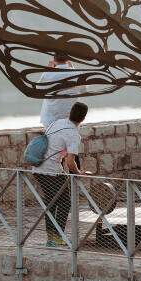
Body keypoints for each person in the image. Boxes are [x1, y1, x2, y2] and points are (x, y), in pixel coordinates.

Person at [33, 101, 90, 248]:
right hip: (51, 171)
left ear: (70, 112)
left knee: (51, 203)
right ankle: (57, 238)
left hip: (38, 168)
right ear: (83, 119)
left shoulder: (56, 123)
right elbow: (71, 162)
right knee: (65, 202)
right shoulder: (73, 135)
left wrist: (62, 172)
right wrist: (79, 173)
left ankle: (51, 238)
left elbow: (51, 147)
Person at [39, 52, 86, 169]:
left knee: (54, 152)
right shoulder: (75, 73)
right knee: (72, 153)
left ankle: (57, 181)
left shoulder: (48, 74)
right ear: (68, 59)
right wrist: (73, 69)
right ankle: (74, 182)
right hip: (71, 118)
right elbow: (84, 89)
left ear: (54, 59)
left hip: (52, 120)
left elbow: (39, 90)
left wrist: (48, 70)